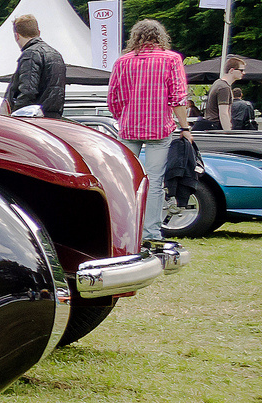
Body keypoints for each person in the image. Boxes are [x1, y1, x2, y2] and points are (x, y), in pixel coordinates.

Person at [106, 19, 190, 244]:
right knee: (154, 182)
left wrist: (122, 118)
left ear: (136, 37)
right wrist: (185, 127)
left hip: (129, 127)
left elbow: (113, 97)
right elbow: (178, 98)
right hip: (159, 128)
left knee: (124, 180)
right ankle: (150, 233)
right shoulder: (171, 59)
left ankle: (122, 231)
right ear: (160, 36)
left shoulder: (122, 62)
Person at [6, 13, 67, 117]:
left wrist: (15, 115)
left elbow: (28, 91)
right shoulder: (55, 54)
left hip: (33, 118)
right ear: (38, 32)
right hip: (54, 117)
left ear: (17, 35)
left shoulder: (30, 54)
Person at [204, 56, 249, 131]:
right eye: (241, 70)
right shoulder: (224, 87)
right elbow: (223, 113)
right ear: (231, 70)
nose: (243, 73)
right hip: (216, 126)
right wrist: (228, 132)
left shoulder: (218, 83)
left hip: (211, 125)